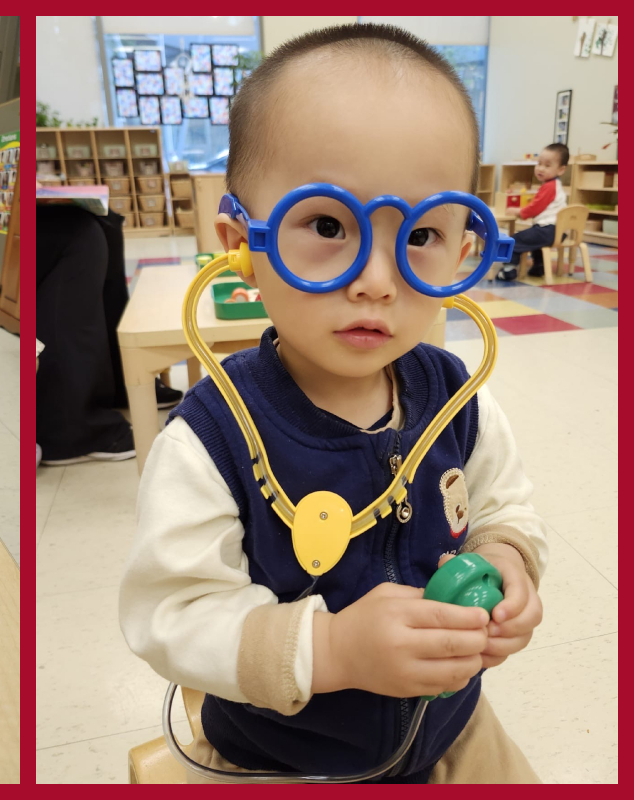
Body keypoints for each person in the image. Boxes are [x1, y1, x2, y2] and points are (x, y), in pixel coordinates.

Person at [119, 24, 548, 783]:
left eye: (419, 233)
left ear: (463, 244)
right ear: (242, 244)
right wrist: (334, 651)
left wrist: (506, 558)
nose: (378, 280)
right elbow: (169, 618)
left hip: (450, 727)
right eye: (328, 225)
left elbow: (504, 506)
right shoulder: (211, 438)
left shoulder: (458, 400)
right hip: (281, 758)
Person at [495, 143, 569, 281]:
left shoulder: (549, 187)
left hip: (549, 230)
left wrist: (518, 212)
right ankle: (538, 267)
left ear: (561, 170)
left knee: (515, 239)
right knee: (535, 241)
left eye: (547, 166)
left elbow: (535, 208)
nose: (540, 168)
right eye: (539, 163)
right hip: (558, 230)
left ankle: (508, 269)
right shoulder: (554, 185)